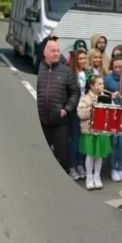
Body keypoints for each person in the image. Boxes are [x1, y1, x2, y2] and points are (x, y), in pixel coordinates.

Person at [37, 37, 80, 174]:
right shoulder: (39, 69)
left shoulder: (66, 72)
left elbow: (75, 93)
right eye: (53, 51)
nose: (56, 53)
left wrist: (66, 109)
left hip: (60, 122)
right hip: (41, 122)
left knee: (61, 156)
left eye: (58, 51)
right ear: (45, 53)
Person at [78, 75, 112, 190]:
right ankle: (89, 177)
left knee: (99, 155)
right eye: (99, 84)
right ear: (92, 86)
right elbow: (80, 113)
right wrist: (93, 108)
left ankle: (97, 176)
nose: (102, 86)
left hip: (101, 130)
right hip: (90, 130)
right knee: (90, 155)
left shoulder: (106, 98)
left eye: (102, 84)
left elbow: (111, 114)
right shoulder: (85, 98)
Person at [104, 56, 122, 182]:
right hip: (113, 115)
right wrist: (111, 98)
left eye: (120, 67)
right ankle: (113, 168)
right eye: (115, 67)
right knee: (114, 144)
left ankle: (121, 168)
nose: (118, 69)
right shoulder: (107, 79)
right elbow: (101, 97)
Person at [67, 49, 90, 180]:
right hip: (74, 110)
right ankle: (72, 166)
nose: (83, 61)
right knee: (74, 138)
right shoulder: (70, 74)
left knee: (83, 139)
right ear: (75, 60)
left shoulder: (87, 73)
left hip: (85, 109)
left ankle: (81, 164)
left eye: (84, 58)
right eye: (80, 58)